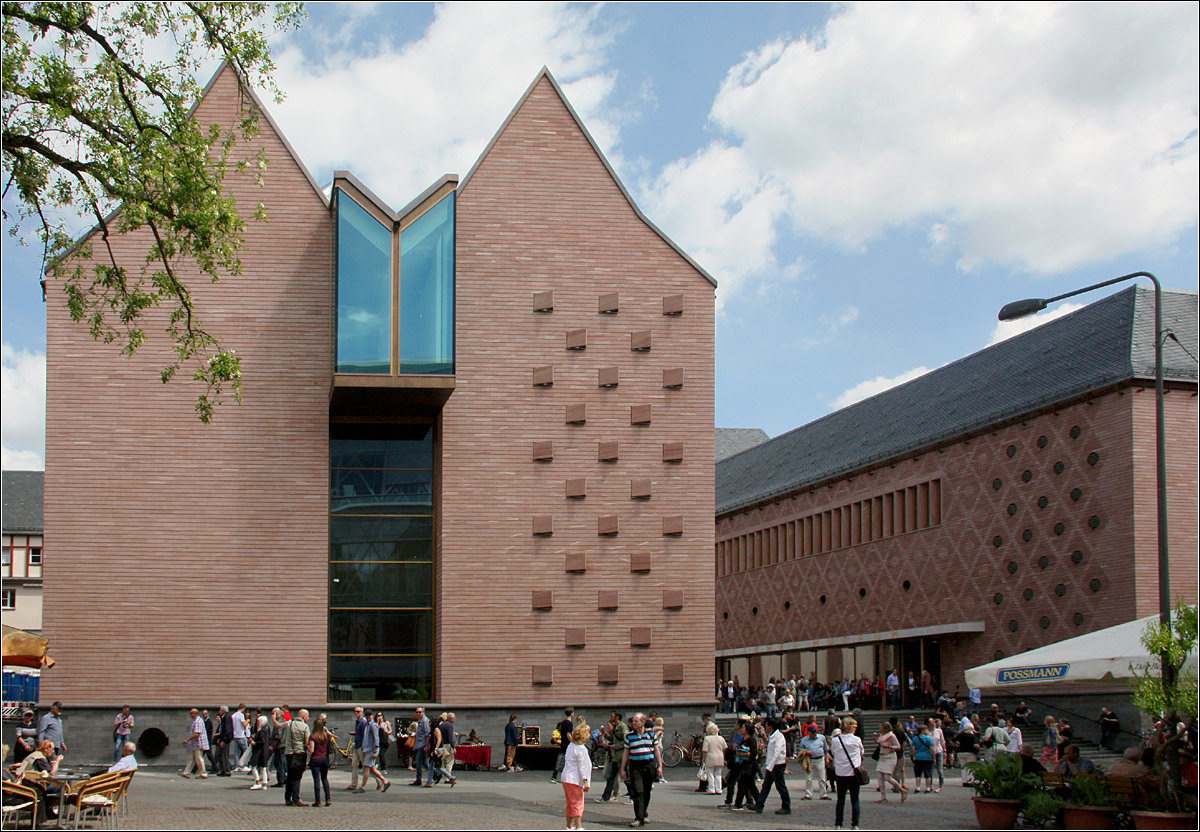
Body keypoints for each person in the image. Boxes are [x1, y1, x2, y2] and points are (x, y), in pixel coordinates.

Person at [620, 712, 662, 828]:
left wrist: (660, 766)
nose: (634, 723)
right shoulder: (629, 736)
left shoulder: (651, 735)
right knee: (638, 791)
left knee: (647, 791)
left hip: (649, 765)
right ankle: (638, 818)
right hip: (635, 766)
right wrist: (623, 769)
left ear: (643, 723)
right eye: (633, 721)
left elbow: (656, 750)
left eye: (636, 721)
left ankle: (644, 813)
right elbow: (626, 753)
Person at [752, 716, 792, 815]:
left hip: (777, 765)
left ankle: (786, 806)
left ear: (771, 726)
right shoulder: (773, 735)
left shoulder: (779, 736)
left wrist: (770, 766)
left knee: (780, 786)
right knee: (766, 786)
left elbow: (777, 752)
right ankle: (759, 804)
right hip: (772, 764)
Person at [831, 717, 864, 830]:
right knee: (855, 799)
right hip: (854, 773)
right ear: (851, 728)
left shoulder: (836, 740)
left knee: (840, 799)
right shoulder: (857, 740)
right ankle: (855, 824)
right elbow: (862, 752)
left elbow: (834, 752)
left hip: (840, 773)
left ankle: (838, 823)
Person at [561, 725, 592, 830]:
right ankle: (579, 826)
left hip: (566, 777)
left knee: (570, 803)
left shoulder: (571, 746)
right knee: (578, 803)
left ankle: (569, 826)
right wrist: (585, 781)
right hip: (574, 779)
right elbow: (582, 766)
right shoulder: (581, 749)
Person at [283, 708, 312, 806]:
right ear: (303, 716)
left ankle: (287, 798)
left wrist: (274, 718)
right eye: (308, 716)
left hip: (289, 753)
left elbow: (278, 725)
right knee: (297, 777)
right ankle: (296, 798)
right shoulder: (305, 726)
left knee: (290, 776)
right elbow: (307, 742)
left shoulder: (289, 723)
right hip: (299, 753)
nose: (308, 718)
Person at [598, 711, 627, 802]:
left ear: (617, 717)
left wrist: (615, 746)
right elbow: (612, 738)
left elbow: (626, 740)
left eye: (612, 716)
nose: (611, 717)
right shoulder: (615, 727)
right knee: (611, 777)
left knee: (627, 777)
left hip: (621, 755)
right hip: (615, 756)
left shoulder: (622, 727)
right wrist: (605, 734)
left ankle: (633, 796)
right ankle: (605, 797)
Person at [358, 708, 390, 793]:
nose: (368, 716)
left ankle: (363, 787)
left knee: (366, 768)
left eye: (369, 715)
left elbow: (376, 739)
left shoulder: (373, 725)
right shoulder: (368, 725)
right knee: (372, 768)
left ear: (372, 716)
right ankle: (385, 782)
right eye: (367, 715)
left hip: (371, 750)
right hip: (368, 749)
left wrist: (375, 751)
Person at [874, 720, 905, 802]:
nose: (880, 729)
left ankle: (901, 789)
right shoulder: (881, 735)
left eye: (881, 728)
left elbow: (898, 746)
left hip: (890, 757)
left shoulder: (891, 736)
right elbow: (880, 743)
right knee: (879, 776)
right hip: (882, 757)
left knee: (888, 777)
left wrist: (889, 746)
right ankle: (883, 796)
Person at [308, 716, 335, 807]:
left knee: (316, 780)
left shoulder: (313, 736)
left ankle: (318, 800)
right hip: (325, 759)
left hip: (315, 759)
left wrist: (306, 747)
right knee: (324, 779)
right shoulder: (326, 736)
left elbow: (311, 750)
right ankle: (328, 799)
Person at [182, 707, 209, 778]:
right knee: (192, 758)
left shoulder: (198, 721)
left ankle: (203, 773)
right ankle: (186, 772)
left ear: (195, 714)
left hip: (198, 743)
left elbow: (197, 733)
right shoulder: (196, 721)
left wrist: (187, 740)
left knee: (199, 758)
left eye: (191, 713)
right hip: (195, 744)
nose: (190, 715)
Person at [701, 722, 727, 795]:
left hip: (710, 757)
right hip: (720, 757)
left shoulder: (707, 738)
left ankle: (711, 789)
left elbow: (705, 750)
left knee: (710, 774)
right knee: (718, 774)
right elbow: (725, 748)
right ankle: (719, 789)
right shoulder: (721, 738)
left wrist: (703, 760)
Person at [551, 707, 575, 784]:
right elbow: (568, 734)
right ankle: (559, 777)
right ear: (571, 714)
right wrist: (573, 742)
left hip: (562, 743)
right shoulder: (570, 724)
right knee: (567, 760)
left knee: (560, 759)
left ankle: (555, 775)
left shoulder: (563, 723)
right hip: (567, 744)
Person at [347, 705, 367, 790]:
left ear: (362, 713)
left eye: (358, 711)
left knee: (366, 766)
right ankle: (353, 784)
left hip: (361, 746)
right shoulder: (357, 721)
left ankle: (379, 780)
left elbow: (365, 734)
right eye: (355, 711)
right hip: (357, 745)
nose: (356, 713)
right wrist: (354, 733)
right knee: (354, 764)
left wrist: (364, 746)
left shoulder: (363, 722)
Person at [248, 714, 271, 789]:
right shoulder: (266, 730)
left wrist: (255, 742)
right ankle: (264, 783)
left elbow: (262, 741)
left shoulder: (262, 731)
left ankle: (257, 781)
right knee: (263, 767)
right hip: (264, 751)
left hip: (259, 751)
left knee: (253, 765)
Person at [410, 706, 432, 786]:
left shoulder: (425, 721)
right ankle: (437, 773)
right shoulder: (420, 721)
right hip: (419, 745)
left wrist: (426, 746)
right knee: (424, 762)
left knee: (418, 761)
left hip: (423, 745)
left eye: (420, 712)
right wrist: (415, 745)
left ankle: (419, 779)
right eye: (417, 712)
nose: (418, 714)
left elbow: (427, 734)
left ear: (423, 712)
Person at [911, 725, 935, 793]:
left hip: (918, 757)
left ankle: (918, 787)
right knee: (927, 773)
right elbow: (932, 749)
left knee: (918, 773)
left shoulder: (915, 739)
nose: (927, 731)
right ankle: (928, 787)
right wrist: (934, 757)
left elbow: (913, 749)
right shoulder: (929, 738)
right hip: (927, 757)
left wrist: (914, 756)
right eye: (926, 730)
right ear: (923, 731)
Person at [215, 705, 233, 776]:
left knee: (224, 755)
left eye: (220, 710)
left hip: (225, 740)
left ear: (223, 711)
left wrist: (224, 740)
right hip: (223, 739)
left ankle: (227, 770)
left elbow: (227, 730)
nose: (219, 712)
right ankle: (222, 769)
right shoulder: (224, 718)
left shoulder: (227, 717)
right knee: (219, 754)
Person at [231, 703, 250, 771]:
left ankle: (236, 765)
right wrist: (247, 720)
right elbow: (244, 724)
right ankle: (244, 764)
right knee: (247, 750)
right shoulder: (241, 715)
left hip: (235, 735)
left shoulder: (233, 715)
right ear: (243, 708)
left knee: (236, 752)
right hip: (241, 735)